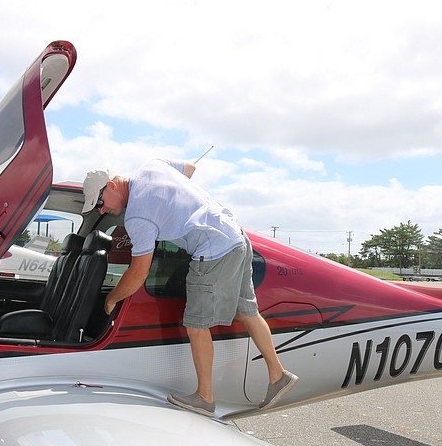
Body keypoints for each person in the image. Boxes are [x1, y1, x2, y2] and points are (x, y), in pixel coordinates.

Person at [81, 158, 298, 417]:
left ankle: (204, 397)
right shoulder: (152, 167)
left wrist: (111, 300)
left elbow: (139, 272)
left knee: (196, 324)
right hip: (235, 237)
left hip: (212, 250)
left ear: (110, 186)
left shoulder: (138, 215)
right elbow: (189, 169)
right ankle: (278, 375)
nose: (102, 211)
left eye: (100, 203)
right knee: (248, 311)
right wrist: (174, 204)